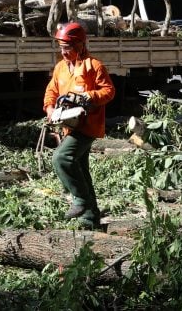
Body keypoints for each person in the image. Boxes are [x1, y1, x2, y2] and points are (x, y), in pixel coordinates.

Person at [42, 22, 115, 227]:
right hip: (69, 126)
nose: (64, 52)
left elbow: (108, 91)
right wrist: (50, 110)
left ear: (80, 45)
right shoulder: (60, 68)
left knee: (61, 158)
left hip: (88, 125)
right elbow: (51, 92)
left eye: (68, 47)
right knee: (81, 169)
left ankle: (80, 201)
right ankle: (91, 218)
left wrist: (88, 97)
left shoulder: (94, 66)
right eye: (62, 47)